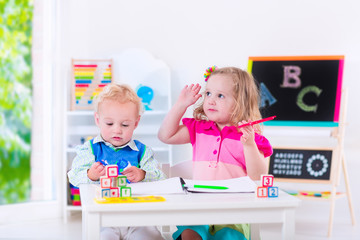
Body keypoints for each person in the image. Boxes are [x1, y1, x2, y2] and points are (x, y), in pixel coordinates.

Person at [158, 66, 273, 240]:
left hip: (234, 213)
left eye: (220, 96)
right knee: (189, 234)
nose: (211, 101)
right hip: (198, 207)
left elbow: (259, 178)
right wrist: (181, 105)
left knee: (229, 236)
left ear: (240, 101)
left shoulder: (250, 137)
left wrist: (249, 146)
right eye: (208, 93)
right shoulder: (199, 128)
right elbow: (165, 136)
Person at [68, 83, 166, 240]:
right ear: (97, 120)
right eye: (109, 123)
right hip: (103, 217)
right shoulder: (90, 149)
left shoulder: (142, 152)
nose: (117, 130)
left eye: (125, 124)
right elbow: (73, 176)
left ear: (136, 122)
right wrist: (90, 174)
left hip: (138, 218)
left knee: (152, 236)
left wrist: (142, 174)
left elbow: (160, 177)